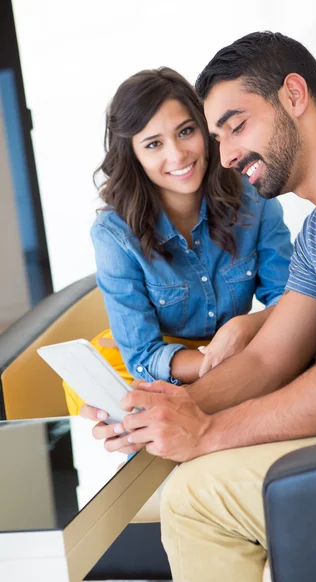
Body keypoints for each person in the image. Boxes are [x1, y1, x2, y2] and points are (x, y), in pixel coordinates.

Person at [82, 33, 316, 582]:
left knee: (197, 496)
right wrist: (159, 412)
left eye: (236, 125)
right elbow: (269, 357)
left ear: (294, 96)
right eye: (219, 134)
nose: (223, 154)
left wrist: (209, 432)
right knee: (202, 486)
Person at [65, 66, 292, 416]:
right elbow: (142, 355)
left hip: (239, 354)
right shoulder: (114, 234)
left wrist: (247, 326)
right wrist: (219, 364)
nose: (178, 154)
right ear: (134, 156)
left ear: (204, 129)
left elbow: (294, 300)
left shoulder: (253, 196)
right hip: (148, 369)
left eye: (185, 131)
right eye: (154, 144)